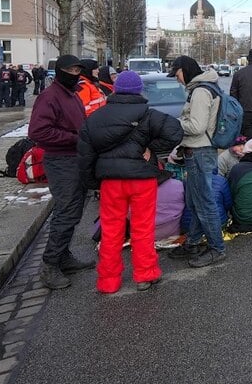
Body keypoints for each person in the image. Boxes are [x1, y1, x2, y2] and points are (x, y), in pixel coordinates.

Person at [77, 70, 183, 293]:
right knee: (142, 228)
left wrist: (94, 182)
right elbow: (175, 132)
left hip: (111, 182)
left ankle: (108, 281)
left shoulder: (96, 117)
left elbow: (85, 155)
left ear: (115, 90)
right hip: (142, 180)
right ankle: (145, 274)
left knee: (111, 231)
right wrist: (150, 150)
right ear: (138, 91)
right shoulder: (148, 114)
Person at [29, 55, 94, 289]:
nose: (76, 73)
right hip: (61, 161)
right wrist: (74, 139)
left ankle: (63, 256)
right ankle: (50, 265)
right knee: (66, 212)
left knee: (74, 211)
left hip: (75, 159)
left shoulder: (71, 94)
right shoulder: (49, 97)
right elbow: (38, 131)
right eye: (71, 69)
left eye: (78, 69)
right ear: (60, 72)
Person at [166, 56, 226, 267]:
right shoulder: (203, 87)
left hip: (200, 151)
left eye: (177, 74)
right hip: (199, 151)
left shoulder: (201, 91)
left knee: (204, 203)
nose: (177, 80)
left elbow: (197, 126)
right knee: (195, 201)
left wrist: (173, 124)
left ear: (186, 70)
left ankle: (217, 248)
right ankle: (192, 242)